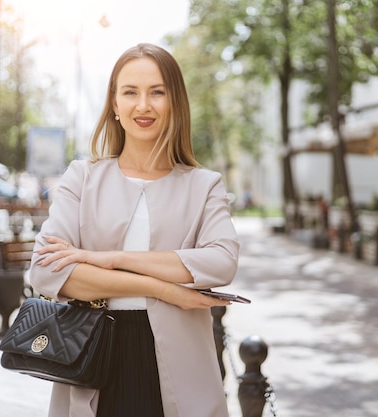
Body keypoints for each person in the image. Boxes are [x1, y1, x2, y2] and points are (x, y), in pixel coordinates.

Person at [28, 43, 241, 417]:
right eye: (130, 92)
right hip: (92, 356)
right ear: (114, 104)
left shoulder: (204, 185)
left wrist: (108, 260)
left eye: (157, 92)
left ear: (175, 101)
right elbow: (46, 270)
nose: (143, 105)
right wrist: (162, 289)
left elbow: (221, 262)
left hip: (179, 365)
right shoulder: (82, 177)